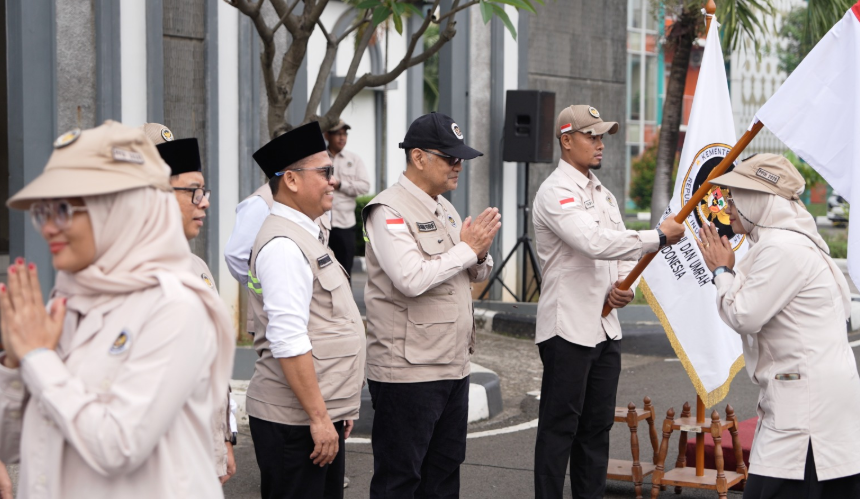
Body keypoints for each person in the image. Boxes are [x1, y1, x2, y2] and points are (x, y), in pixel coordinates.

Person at [0, 121, 235, 498]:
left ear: (122, 209)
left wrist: (38, 357)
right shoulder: (68, 301)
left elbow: (119, 445)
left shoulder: (175, 306)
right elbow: (11, 445)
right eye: (42, 212)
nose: (47, 229)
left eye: (64, 209)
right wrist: (14, 364)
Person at [531, 105, 684, 499]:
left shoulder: (604, 194)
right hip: (568, 328)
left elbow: (620, 259)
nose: (600, 144)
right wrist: (658, 236)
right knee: (559, 429)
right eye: (591, 136)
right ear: (566, 141)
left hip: (604, 327)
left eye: (602, 137)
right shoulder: (555, 192)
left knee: (596, 430)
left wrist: (623, 287)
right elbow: (593, 243)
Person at [697, 154, 860, 499]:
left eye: (736, 194)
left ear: (760, 199)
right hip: (812, 396)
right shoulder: (790, 241)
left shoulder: (783, 248)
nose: (727, 204)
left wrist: (722, 273)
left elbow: (744, 315)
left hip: (807, 405)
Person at [362, 112, 499, 498]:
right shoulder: (388, 210)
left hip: (452, 364)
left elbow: (472, 272)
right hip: (408, 371)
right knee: (400, 480)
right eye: (450, 158)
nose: (458, 166)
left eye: (461, 159)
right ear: (419, 158)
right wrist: (467, 249)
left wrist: (479, 253)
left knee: (443, 475)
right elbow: (411, 278)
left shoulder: (445, 208)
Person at [245, 121, 365, 499]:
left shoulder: (306, 233)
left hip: (317, 415)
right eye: (325, 172)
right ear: (292, 181)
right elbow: (289, 339)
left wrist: (335, 408)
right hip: (296, 423)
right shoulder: (283, 244)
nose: (334, 180)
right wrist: (318, 417)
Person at [150, 128, 237, 484]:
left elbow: (215, 369)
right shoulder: (135, 277)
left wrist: (225, 440)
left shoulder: (196, 268)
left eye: (204, 191)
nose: (204, 202)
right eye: (193, 192)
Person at [325, 119, 370, 279]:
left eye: (344, 134)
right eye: (338, 134)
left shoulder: (354, 159)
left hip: (345, 225)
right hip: (322, 225)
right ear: (327, 135)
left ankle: (345, 304)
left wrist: (340, 184)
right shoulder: (319, 158)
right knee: (322, 273)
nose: (342, 137)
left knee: (345, 273)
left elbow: (365, 186)